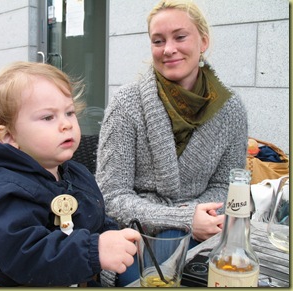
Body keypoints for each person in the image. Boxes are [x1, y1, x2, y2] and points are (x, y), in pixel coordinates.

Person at [95, 0, 248, 286]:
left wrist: (198, 220)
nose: (168, 49)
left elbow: (226, 186)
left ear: (203, 41)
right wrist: (184, 218)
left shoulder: (231, 109)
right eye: (158, 40)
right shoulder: (126, 104)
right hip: (137, 236)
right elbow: (111, 196)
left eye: (180, 36)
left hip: (206, 232)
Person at [0, 61, 141, 287]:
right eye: (48, 117)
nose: (66, 124)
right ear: (9, 137)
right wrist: (94, 250)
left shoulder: (73, 173)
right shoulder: (6, 189)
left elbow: (92, 215)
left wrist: (113, 235)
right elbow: (25, 255)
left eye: (69, 112)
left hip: (67, 275)